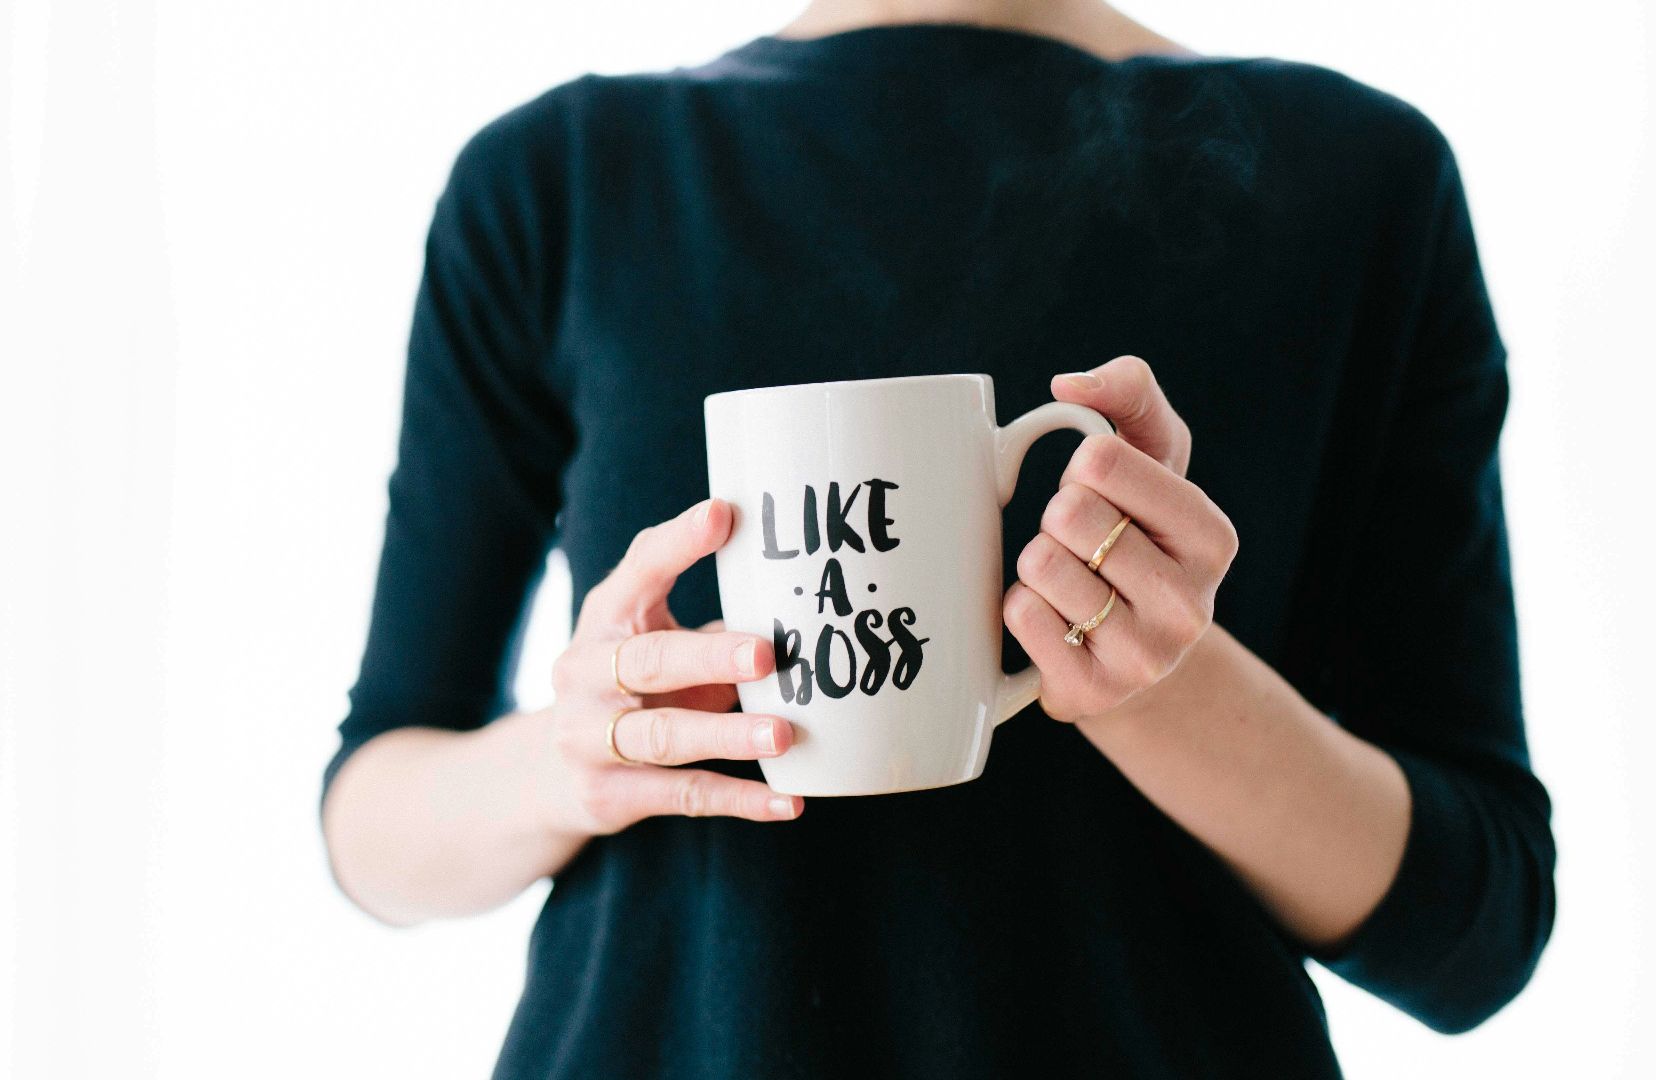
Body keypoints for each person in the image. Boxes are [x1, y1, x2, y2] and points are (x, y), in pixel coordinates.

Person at [319, 1, 1556, 1075]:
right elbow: (370, 821)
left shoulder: (1356, 181)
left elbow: (1478, 929)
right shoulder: (560, 182)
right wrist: (573, 759)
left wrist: (1157, 685)